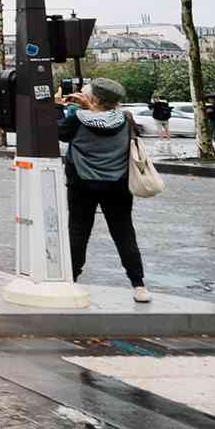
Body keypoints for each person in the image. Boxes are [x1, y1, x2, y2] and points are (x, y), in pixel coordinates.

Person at [56, 78, 150, 303]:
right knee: (124, 232)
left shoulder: (76, 119)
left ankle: (71, 281)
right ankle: (139, 285)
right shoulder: (126, 118)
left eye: (86, 92)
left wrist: (59, 106)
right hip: (118, 183)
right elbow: (104, 121)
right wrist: (89, 108)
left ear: (94, 99)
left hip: (82, 184)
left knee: (78, 232)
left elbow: (59, 133)